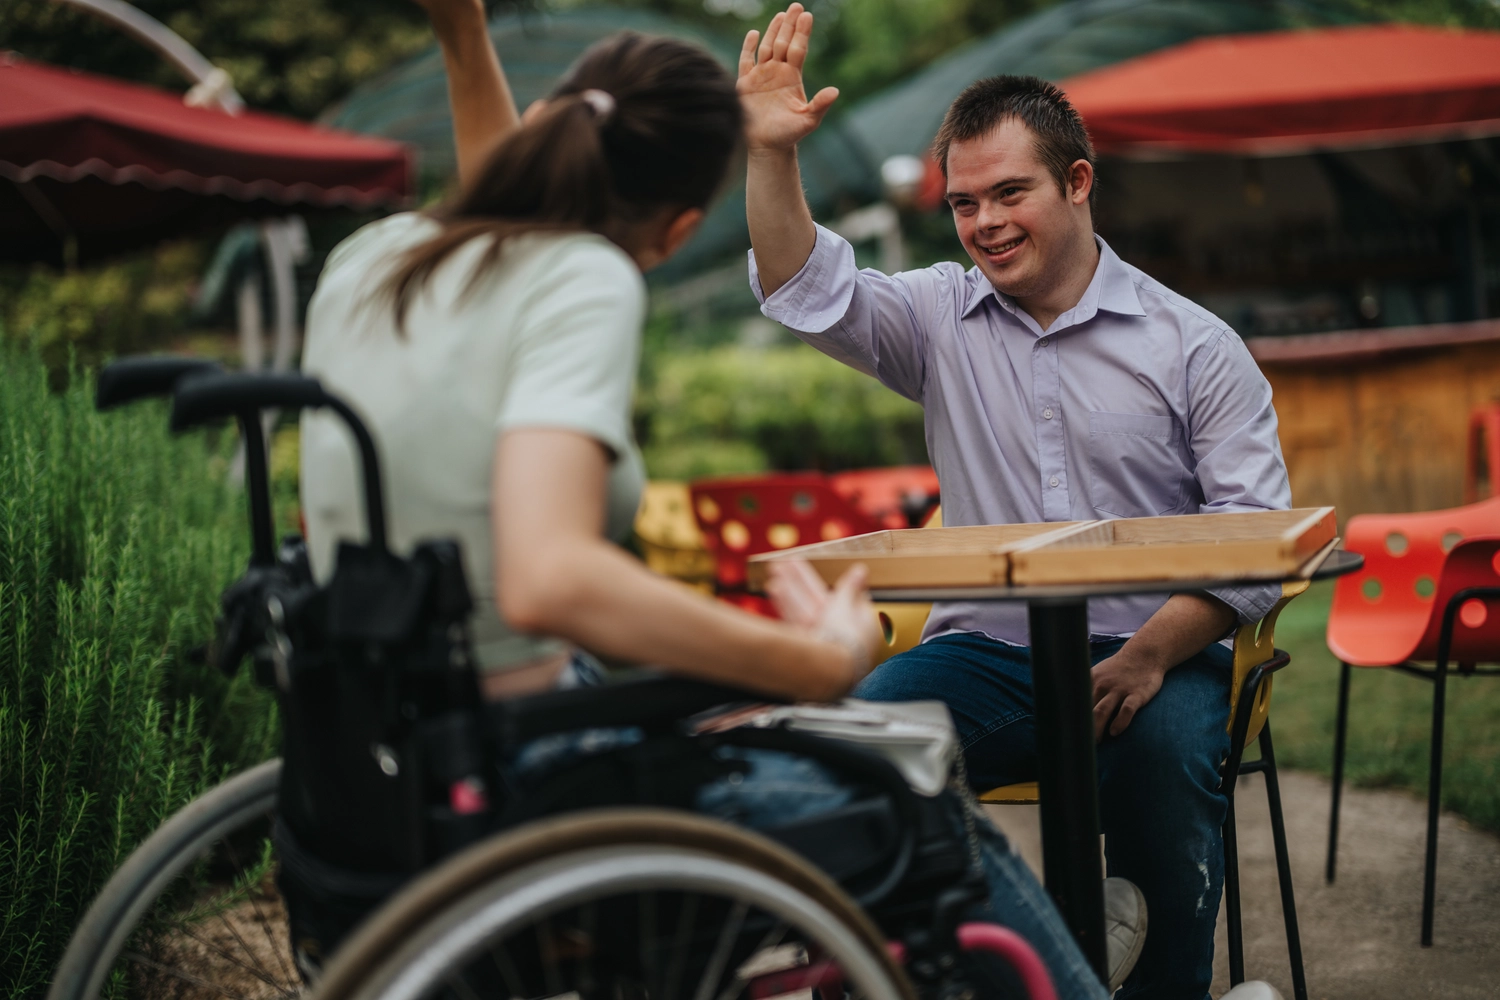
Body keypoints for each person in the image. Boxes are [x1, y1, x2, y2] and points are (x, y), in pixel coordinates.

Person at [296, 0, 1136, 996]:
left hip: (360, 752)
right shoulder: (587, 279)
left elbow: (500, 224)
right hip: (525, 770)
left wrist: (463, 37)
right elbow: (546, 577)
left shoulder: (372, 261)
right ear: (682, 228)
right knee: (914, 791)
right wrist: (806, 660)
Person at [738, 6, 1291, 999]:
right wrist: (771, 154)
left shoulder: (1193, 344)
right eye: (962, 204)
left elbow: (1253, 541)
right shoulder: (939, 317)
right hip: (990, 652)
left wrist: (1151, 654)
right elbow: (800, 285)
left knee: (1162, 762)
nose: (984, 222)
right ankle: (1010, 973)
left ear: (1077, 183)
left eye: (1009, 193)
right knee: (862, 750)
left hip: (1156, 649)